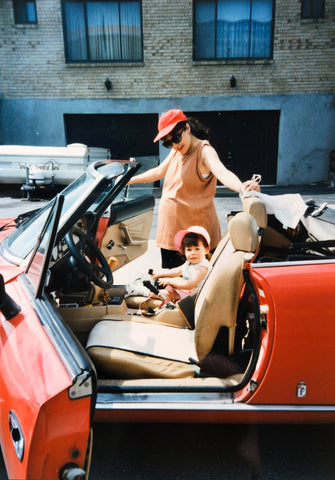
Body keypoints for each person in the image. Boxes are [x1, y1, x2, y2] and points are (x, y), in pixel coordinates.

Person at [127, 109, 260, 268]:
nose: (174, 145)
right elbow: (159, 171)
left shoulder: (204, 151)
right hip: (171, 232)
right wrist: (129, 180)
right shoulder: (177, 151)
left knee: (198, 281)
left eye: (176, 138)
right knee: (173, 285)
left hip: (194, 238)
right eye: (168, 143)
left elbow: (221, 172)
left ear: (187, 128)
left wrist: (242, 187)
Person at [152, 226, 211, 302]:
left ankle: (145, 293)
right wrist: (160, 274)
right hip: (188, 292)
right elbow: (178, 271)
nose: (193, 253)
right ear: (184, 251)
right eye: (189, 250)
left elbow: (189, 284)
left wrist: (170, 281)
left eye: (197, 249)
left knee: (165, 293)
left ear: (206, 250)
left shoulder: (202, 267)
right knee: (175, 280)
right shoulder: (190, 262)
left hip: (196, 297)